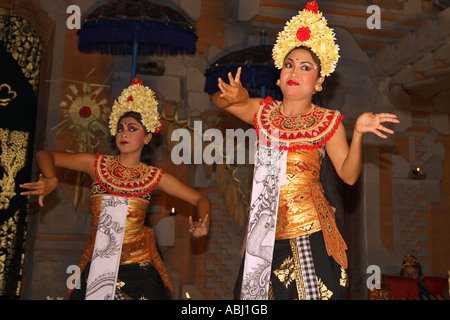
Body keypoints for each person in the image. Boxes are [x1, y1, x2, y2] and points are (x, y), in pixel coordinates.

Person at [212, 1, 399, 300]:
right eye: (288, 65)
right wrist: (238, 97)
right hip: (264, 237)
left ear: (319, 82)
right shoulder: (264, 112)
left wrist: (359, 135)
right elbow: (220, 101)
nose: (294, 71)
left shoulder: (328, 122)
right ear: (279, 76)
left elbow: (349, 177)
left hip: (309, 232)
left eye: (305, 67)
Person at [20, 78, 210, 300]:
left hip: (139, 266)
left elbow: (200, 199)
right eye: (120, 129)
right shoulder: (96, 165)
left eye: (132, 128)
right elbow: (45, 154)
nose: (124, 133)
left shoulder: (153, 177)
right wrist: (51, 178)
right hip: (99, 261)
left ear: (147, 137)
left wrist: (201, 223)